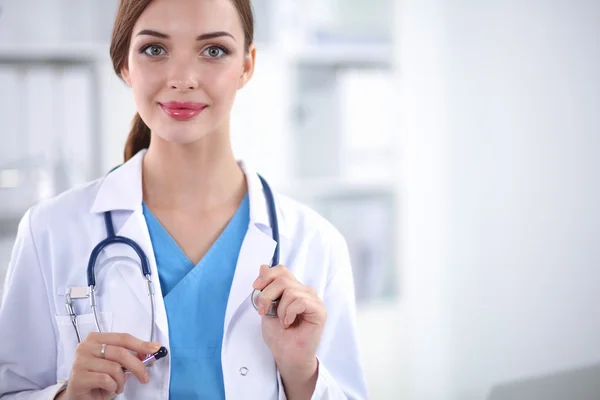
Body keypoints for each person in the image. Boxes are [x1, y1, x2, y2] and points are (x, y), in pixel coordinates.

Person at [0, 0, 368, 398]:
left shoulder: (315, 243)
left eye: (213, 50)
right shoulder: (51, 230)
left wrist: (301, 372)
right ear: (125, 64)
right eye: (155, 49)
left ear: (247, 65)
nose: (182, 78)